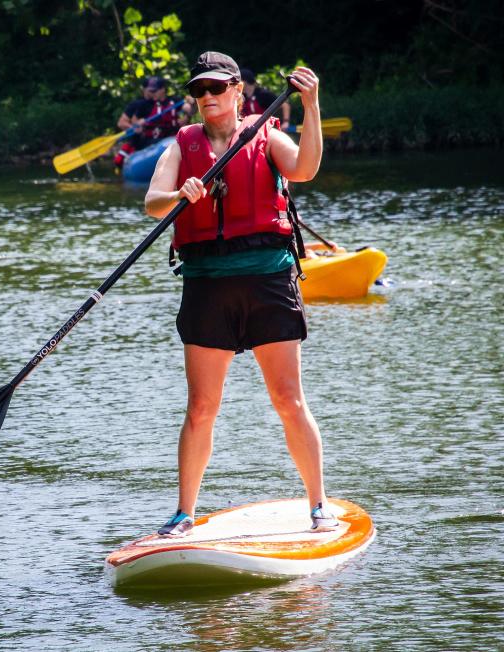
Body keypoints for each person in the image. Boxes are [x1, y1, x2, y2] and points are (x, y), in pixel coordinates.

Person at [143, 51, 338, 536]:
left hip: (267, 281)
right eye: (198, 91)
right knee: (200, 407)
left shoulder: (266, 133)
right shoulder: (181, 146)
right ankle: (184, 513)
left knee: (288, 399)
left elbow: (306, 169)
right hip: (207, 285)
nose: (207, 97)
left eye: (216, 88)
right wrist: (179, 195)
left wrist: (311, 107)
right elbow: (152, 204)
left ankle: (318, 505)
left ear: (237, 91)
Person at [114, 76, 189, 170]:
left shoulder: (174, 101)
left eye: (154, 91)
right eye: (149, 90)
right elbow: (127, 122)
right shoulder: (142, 104)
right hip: (150, 142)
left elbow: (189, 111)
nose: (150, 93)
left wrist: (193, 104)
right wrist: (137, 125)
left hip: (170, 140)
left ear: (163, 89)